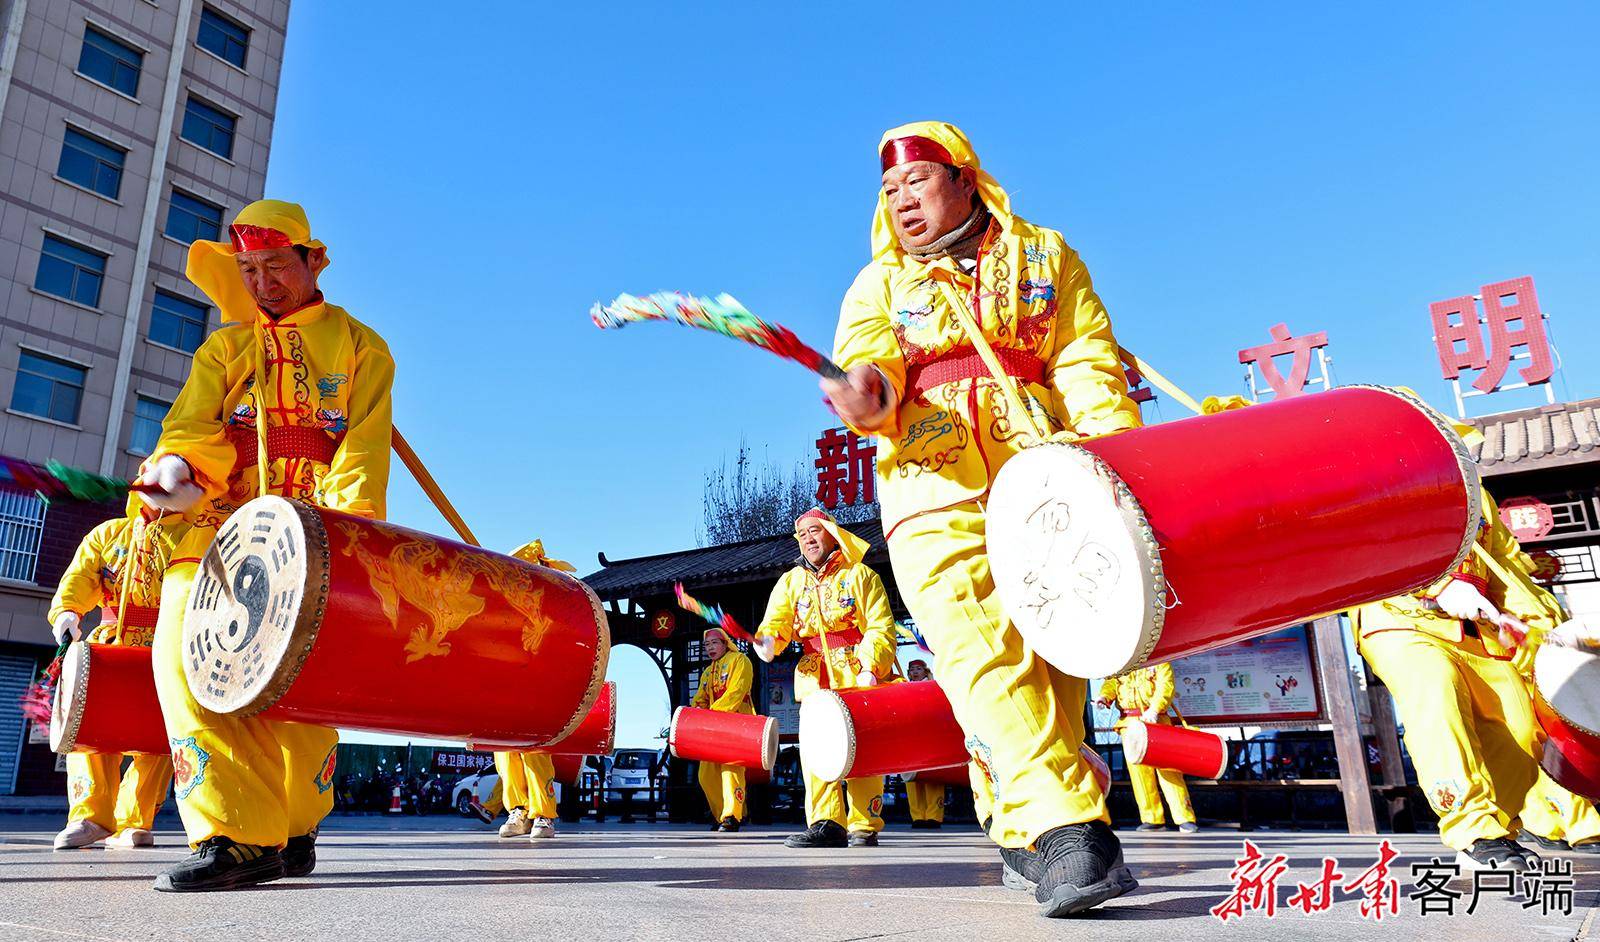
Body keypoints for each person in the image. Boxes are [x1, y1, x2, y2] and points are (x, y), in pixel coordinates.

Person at [825, 120, 1141, 916]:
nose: (900, 200)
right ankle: (1071, 826)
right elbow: (874, 364)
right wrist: (866, 392)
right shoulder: (878, 284)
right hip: (933, 482)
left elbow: (1086, 359)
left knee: (1058, 653)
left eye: (916, 182)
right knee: (976, 644)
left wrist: (1121, 462)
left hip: (1047, 470)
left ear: (966, 179)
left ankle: (1016, 826)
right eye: (888, 190)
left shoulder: (1046, 255)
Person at [140, 199, 395, 891]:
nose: (261, 282)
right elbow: (192, 425)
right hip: (219, 526)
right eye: (248, 269)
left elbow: (362, 451)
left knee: (303, 685)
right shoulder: (225, 347)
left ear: (313, 262)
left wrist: (343, 535)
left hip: (314, 531)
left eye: (276, 265)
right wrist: (178, 470)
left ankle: (294, 825)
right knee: (188, 662)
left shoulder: (361, 346)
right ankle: (235, 834)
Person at [1352, 487, 1568, 871]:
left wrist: (1535, 620)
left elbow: (1503, 560)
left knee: (1521, 726)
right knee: (1437, 695)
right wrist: (1437, 585)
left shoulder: (1475, 491)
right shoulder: (1371, 472)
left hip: (1475, 627)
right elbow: (1358, 537)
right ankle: (1472, 831)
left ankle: (1500, 828)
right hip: (1397, 616)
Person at [753, 509, 896, 848]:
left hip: (856, 670)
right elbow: (777, 622)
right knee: (818, 748)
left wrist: (870, 666)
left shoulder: (860, 575)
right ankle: (826, 822)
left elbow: (880, 626)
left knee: (862, 747)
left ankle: (864, 822)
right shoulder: (790, 581)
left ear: (832, 532)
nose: (808, 539)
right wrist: (770, 639)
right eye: (801, 534)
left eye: (814, 531)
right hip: (814, 676)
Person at [47, 510, 181, 849]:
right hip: (110, 641)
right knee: (88, 726)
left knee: (160, 741)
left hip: (168, 645)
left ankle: (136, 820)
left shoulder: (198, 532)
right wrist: (68, 609)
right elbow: (81, 574)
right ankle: (90, 814)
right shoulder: (108, 534)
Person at [1097, 664, 1198, 834]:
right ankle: (1151, 818)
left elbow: (1166, 685)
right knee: (1140, 774)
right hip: (1129, 723)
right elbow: (1111, 684)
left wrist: (1155, 709)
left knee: (1168, 770)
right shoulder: (1121, 664)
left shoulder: (1161, 661)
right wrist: (1104, 697)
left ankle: (1185, 817)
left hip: (1157, 721)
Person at [692, 626, 754, 831]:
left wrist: (714, 713)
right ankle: (721, 814)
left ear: (725, 643)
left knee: (731, 769)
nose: (709, 647)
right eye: (706, 645)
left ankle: (732, 816)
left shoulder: (740, 661)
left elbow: (738, 690)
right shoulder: (708, 672)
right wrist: (695, 714)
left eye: (714, 643)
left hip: (735, 723)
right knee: (705, 774)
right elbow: (700, 698)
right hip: (713, 726)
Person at [902, 659, 946, 829]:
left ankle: (934, 815)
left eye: (918, 669)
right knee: (912, 780)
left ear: (925, 671)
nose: (915, 672)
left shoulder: (934, 687)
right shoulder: (904, 688)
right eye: (912, 669)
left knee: (932, 778)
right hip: (911, 738)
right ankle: (917, 816)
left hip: (931, 736)